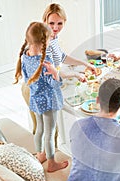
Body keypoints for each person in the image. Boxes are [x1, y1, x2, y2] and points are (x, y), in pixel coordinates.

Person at [21, 3, 96, 144]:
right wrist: (75, 75)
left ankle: (47, 157)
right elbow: (48, 73)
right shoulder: (42, 42)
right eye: (51, 23)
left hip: (44, 86)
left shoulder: (52, 38)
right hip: (34, 89)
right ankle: (47, 159)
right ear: (45, 21)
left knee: (48, 128)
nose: (55, 28)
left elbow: (61, 57)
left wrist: (85, 63)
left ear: (64, 22)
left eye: (59, 23)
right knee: (44, 129)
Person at [14, 22, 68, 172]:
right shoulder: (46, 61)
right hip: (49, 102)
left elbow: (27, 78)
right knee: (50, 133)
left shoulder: (25, 56)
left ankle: (40, 155)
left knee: (39, 129)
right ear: (45, 41)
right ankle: (52, 163)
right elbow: (54, 84)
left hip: (35, 100)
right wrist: (56, 74)